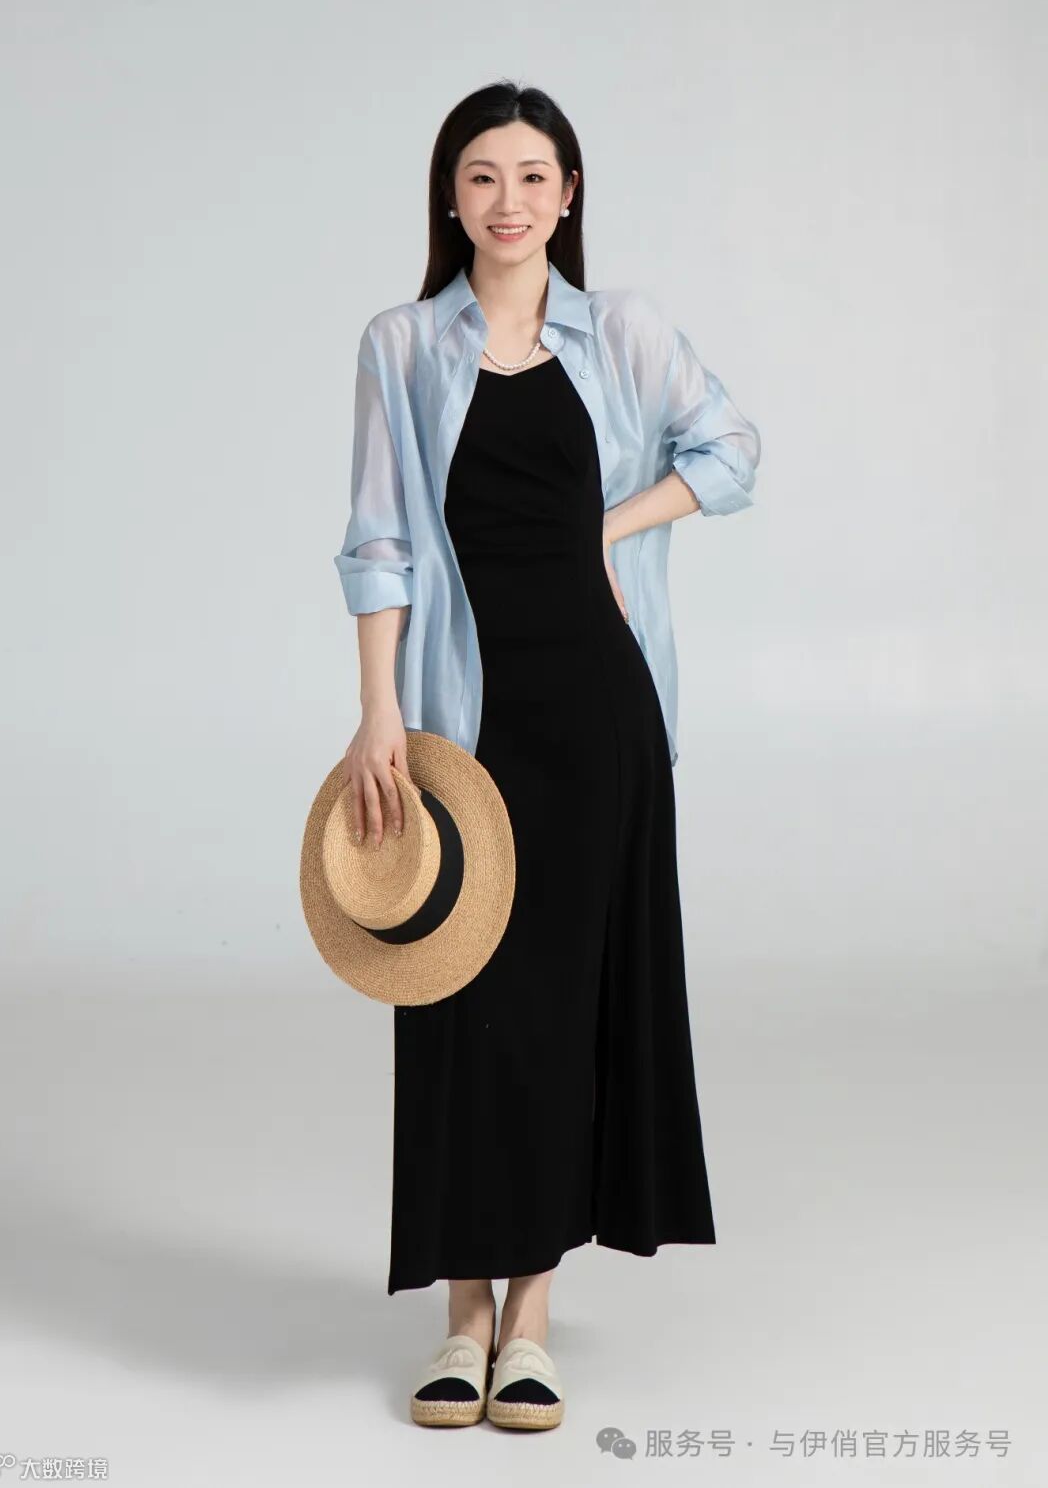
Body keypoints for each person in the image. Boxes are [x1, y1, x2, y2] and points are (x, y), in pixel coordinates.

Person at [333, 79, 761, 1429]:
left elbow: (733, 452)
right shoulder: (403, 346)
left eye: (533, 177)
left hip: (597, 718)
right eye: (483, 176)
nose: (508, 201)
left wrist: (612, 526)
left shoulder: (622, 331)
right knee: (459, 1002)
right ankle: (461, 1316)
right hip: (462, 725)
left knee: (564, 1004)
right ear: (450, 198)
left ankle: (529, 1321)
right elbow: (379, 542)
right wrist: (378, 709)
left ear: (568, 196)